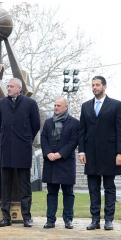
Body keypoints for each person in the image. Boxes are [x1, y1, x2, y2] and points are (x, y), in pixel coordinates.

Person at [78, 76, 121, 231]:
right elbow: (82, 131)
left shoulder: (116, 105)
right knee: (93, 188)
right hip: (91, 154)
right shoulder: (85, 106)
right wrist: (81, 151)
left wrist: (120, 153)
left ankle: (108, 220)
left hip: (110, 153)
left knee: (109, 187)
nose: (94, 87)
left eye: (97, 85)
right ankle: (95, 219)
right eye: (92, 85)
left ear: (104, 87)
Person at [0, 78, 41, 228]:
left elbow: (36, 125)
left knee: (24, 185)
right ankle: (5, 217)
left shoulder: (30, 103)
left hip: (23, 149)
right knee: (5, 185)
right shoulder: (2, 103)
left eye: (11, 86)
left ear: (19, 88)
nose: (8, 88)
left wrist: (26, 139)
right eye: (7, 86)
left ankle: (27, 217)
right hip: (6, 149)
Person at [41, 96, 79, 229]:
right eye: (55, 105)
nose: (56, 107)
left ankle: (68, 219)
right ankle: (50, 219)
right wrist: (48, 153)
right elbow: (43, 139)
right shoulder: (48, 122)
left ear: (66, 107)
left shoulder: (74, 123)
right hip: (50, 162)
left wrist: (60, 154)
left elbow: (74, 141)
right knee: (52, 192)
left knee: (68, 192)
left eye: (59, 105)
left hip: (66, 162)